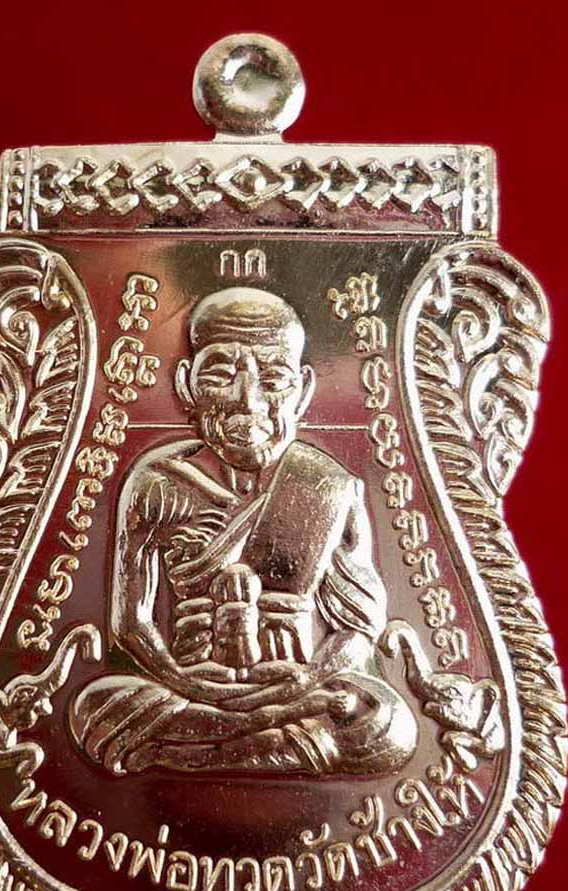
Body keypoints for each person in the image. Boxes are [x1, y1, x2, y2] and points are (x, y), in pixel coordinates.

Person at [69, 287, 417, 775]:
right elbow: (130, 625)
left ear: (304, 390)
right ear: (187, 385)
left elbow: (358, 630)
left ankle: (184, 754)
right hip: (192, 681)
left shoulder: (329, 485)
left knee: (388, 726)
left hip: (294, 682)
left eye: (273, 379)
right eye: (220, 376)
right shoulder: (157, 483)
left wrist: (302, 683)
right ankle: (260, 740)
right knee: (94, 707)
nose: (247, 401)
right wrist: (189, 683)